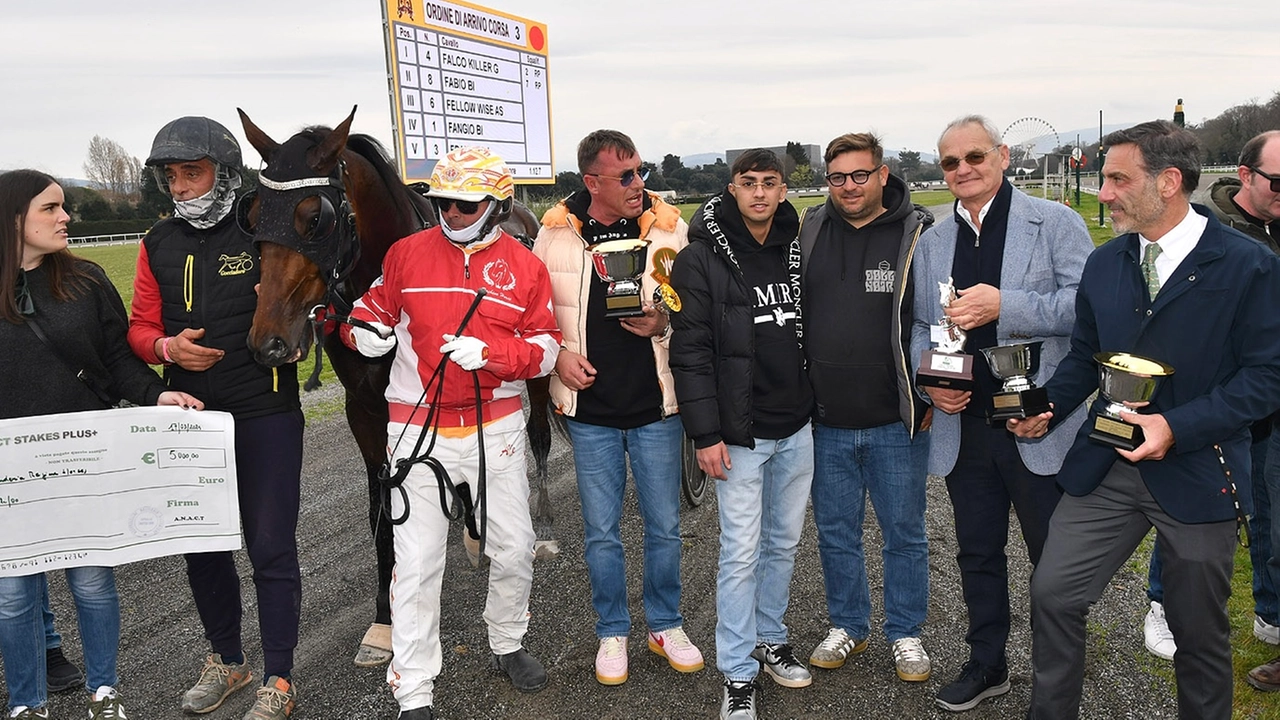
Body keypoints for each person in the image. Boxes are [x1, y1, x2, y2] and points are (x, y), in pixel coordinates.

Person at [1010, 120, 1280, 719]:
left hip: (1198, 470)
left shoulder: (1248, 266)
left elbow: (1267, 377)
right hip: (1104, 469)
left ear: (1169, 182)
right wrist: (1047, 408)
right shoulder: (1105, 263)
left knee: (1198, 635)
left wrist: (1175, 427)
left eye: (1116, 179)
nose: (1103, 193)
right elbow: (1085, 356)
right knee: (1053, 595)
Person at [342, 147, 559, 719]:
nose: (453, 214)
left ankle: (507, 642)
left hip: (497, 429)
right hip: (417, 431)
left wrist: (491, 354)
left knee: (514, 550)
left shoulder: (526, 266)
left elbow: (544, 352)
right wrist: (362, 331)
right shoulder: (406, 254)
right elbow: (371, 309)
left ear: (497, 205)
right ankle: (413, 690)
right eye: (442, 203)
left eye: (466, 204)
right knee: (416, 565)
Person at [0, 168, 203, 720]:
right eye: (51, 209)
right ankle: (26, 703)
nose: (66, 217)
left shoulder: (86, 281)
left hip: (85, 461)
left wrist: (157, 396)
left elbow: (117, 359)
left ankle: (104, 694)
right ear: (14, 217)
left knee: (91, 582)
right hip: (11, 475)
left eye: (64, 207)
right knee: (13, 596)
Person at [908, 116, 1093, 712]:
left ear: (1004, 156)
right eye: (950, 162)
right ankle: (988, 663)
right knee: (978, 553)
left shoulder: (1055, 222)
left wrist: (1006, 303)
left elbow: (1087, 311)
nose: (962, 169)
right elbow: (917, 325)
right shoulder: (933, 240)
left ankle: (1056, 682)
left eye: (974, 157)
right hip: (968, 430)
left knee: (1052, 562)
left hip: (1038, 425)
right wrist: (933, 384)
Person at [128, 117, 304, 719]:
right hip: (192, 419)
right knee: (203, 548)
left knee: (270, 546)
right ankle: (227, 662)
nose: (180, 187)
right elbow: (140, 327)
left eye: (192, 173)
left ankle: (278, 680)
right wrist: (165, 350)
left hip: (265, 409)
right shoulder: (156, 243)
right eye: (172, 177)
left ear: (225, 173)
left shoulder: (266, 227)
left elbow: (309, 297)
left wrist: (303, 329)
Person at [532, 130, 703, 686]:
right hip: (591, 412)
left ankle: (665, 625)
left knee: (664, 527)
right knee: (601, 532)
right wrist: (558, 357)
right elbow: (533, 314)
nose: (638, 184)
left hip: (657, 406)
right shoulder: (554, 234)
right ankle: (612, 630)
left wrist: (666, 322)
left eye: (640, 171)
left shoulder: (671, 227)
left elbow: (694, 306)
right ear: (592, 182)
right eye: (624, 176)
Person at [669, 149, 813, 720]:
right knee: (740, 553)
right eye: (748, 184)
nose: (759, 194)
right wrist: (706, 435)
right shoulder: (700, 257)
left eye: (769, 184)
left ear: (782, 189)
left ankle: (770, 638)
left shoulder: (798, 247)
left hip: (797, 425)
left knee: (783, 544)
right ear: (732, 189)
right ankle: (737, 672)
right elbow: (691, 353)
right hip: (740, 435)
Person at [799, 133, 934, 684]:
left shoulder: (918, 232)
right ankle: (848, 625)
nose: (848, 187)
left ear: (882, 174)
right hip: (825, 420)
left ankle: (905, 633)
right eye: (837, 177)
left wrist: (926, 392)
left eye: (859, 175)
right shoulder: (807, 228)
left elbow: (937, 319)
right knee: (835, 531)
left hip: (894, 420)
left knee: (904, 531)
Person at [1142, 130, 1280, 665]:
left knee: (1269, 510)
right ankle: (1162, 602)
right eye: (1277, 181)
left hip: (1269, 397)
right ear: (1244, 175)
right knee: (1192, 505)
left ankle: (1269, 612)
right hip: (1216, 405)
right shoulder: (1205, 234)